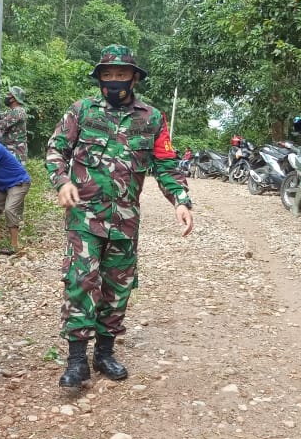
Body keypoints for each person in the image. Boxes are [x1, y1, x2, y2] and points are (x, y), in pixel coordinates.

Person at [45, 44, 193, 388]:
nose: (114, 82)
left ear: (134, 78)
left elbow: (167, 165)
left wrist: (181, 201)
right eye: (107, 76)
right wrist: (62, 181)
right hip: (84, 216)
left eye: (121, 75)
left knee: (117, 286)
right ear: (100, 79)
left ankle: (105, 352)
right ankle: (77, 360)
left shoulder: (152, 118)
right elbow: (55, 150)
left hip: (125, 219)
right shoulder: (81, 111)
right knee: (81, 282)